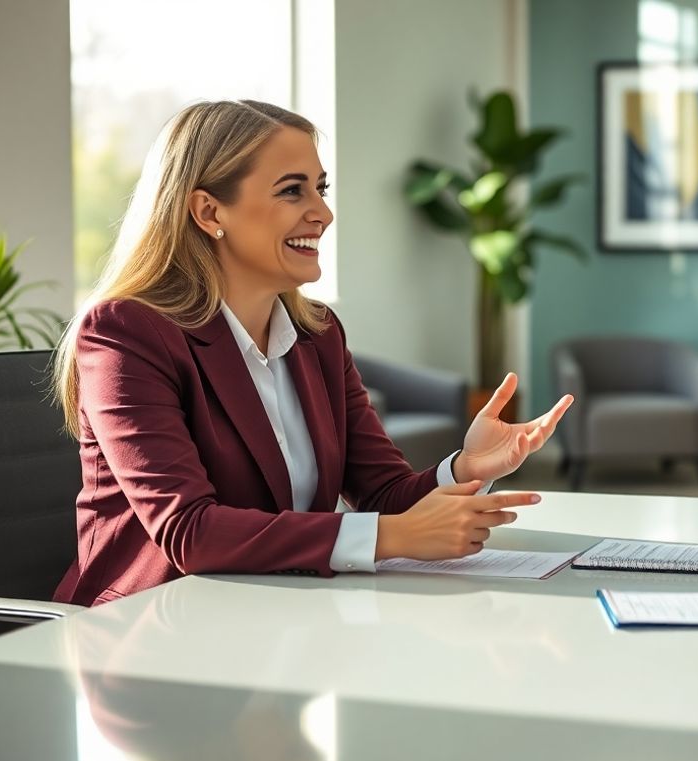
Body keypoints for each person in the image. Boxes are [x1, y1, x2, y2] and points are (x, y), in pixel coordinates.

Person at [51, 100, 571, 606]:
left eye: (320, 189)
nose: (322, 213)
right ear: (209, 211)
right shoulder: (127, 334)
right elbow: (190, 532)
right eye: (291, 190)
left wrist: (466, 468)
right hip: (151, 627)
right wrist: (389, 537)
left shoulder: (317, 335)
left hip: (286, 616)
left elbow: (383, 493)